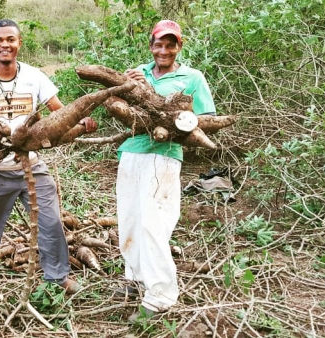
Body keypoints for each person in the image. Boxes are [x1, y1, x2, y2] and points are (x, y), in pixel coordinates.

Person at [0, 19, 98, 310]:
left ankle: (58, 276)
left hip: (32, 165)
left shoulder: (35, 77)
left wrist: (81, 121)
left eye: (10, 39)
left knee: (51, 222)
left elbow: (60, 112)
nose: (4, 45)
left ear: (19, 43)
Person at [116, 20, 216, 322]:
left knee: (153, 222)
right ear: (151, 45)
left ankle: (160, 296)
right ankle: (135, 279)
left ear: (179, 47)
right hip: (132, 153)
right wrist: (124, 84)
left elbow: (206, 118)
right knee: (129, 221)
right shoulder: (139, 73)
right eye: (159, 44)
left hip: (165, 157)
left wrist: (175, 123)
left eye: (170, 44)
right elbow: (121, 110)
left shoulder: (192, 77)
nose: (164, 50)